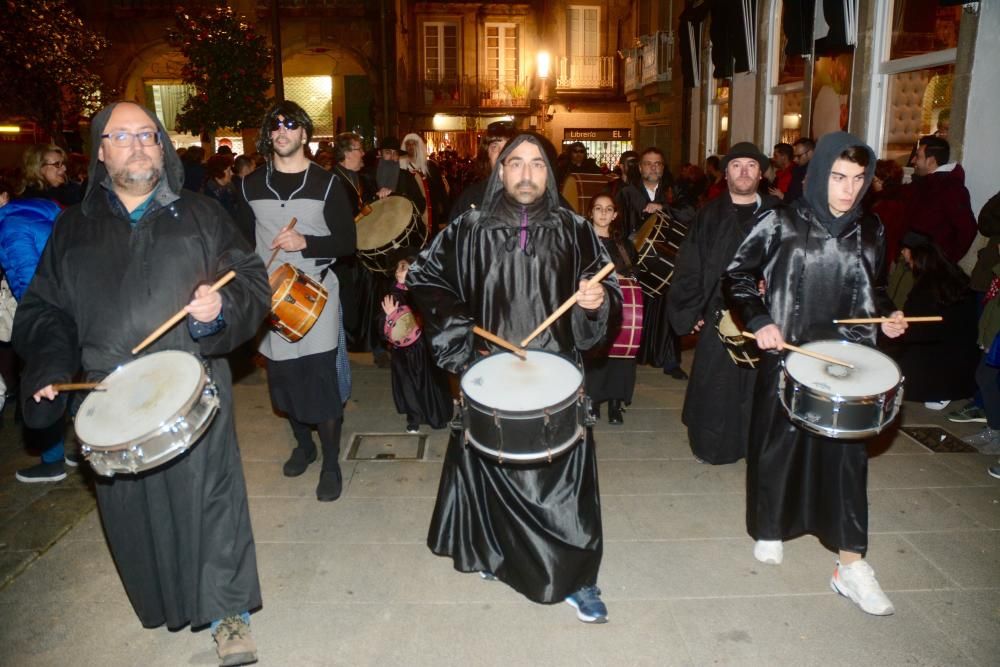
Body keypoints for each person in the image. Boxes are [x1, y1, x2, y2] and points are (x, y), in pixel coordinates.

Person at [13, 101, 269, 665]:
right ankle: (165, 601)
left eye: (147, 135)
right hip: (109, 396)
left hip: (192, 377)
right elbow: (46, 310)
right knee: (134, 511)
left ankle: (229, 613)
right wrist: (53, 369)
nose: (136, 145)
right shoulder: (72, 227)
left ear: (163, 147)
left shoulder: (202, 214)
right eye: (120, 135)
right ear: (100, 151)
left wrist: (218, 309)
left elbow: (251, 279)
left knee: (212, 501)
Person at [407, 132, 621, 624]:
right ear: (500, 171)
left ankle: (575, 577)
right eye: (516, 163)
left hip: (557, 372)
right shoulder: (470, 228)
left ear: (550, 173)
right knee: (492, 468)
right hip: (489, 370)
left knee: (561, 481)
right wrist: (458, 326)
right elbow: (425, 275)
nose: (527, 174)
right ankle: (493, 552)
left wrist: (597, 302)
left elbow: (601, 284)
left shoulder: (573, 228)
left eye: (537, 164)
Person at [723, 131, 908, 616]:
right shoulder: (780, 220)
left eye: (858, 178)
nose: (848, 189)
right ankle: (770, 526)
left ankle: (851, 565)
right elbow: (738, 275)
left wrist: (888, 314)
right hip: (788, 353)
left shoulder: (872, 230)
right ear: (820, 172)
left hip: (850, 361)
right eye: (838, 176)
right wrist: (759, 320)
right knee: (777, 444)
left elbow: (878, 288)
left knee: (848, 459)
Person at [238, 100, 357, 502]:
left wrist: (306, 242)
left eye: (290, 124)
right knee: (284, 383)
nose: (282, 130)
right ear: (268, 135)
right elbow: (238, 243)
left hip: (316, 294)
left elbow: (347, 243)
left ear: (305, 133)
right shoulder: (250, 185)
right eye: (275, 125)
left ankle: (330, 463)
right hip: (270, 298)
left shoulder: (327, 184)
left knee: (319, 380)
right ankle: (304, 447)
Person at [668, 142, 779, 465]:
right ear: (725, 172)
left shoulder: (779, 214)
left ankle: (759, 447)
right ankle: (715, 446)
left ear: (761, 173)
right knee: (716, 387)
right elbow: (690, 265)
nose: (744, 172)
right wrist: (691, 312)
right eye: (736, 165)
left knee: (761, 388)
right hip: (719, 315)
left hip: (767, 318)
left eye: (751, 166)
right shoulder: (709, 215)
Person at [0, 180, 68, 482]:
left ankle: (53, 461)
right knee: (71, 379)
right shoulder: (45, 210)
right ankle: (84, 449)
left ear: (3, 196)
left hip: (48, 314)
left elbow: (26, 282)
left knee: (43, 383)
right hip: (75, 302)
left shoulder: (11, 227)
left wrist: (31, 326)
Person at [885, 232, 978, 408]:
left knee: (888, 365)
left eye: (904, 252)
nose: (904, 257)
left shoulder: (927, 287)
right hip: (963, 353)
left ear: (910, 253)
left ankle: (940, 391)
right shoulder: (951, 273)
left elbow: (916, 330)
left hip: (944, 357)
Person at [379, 252, 453, 432]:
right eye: (398, 268)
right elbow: (383, 324)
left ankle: (435, 416)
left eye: (403, 268)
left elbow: (437, 316)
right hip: (403, 351)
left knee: (429, 384)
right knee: (407, 384)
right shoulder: (394, 292)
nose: (398, 272)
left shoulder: (424, 291)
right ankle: (414, 417)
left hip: (424, 348)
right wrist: (390, 317)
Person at [583, 194, 640, 425]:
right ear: (590, 213)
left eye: (608, 209)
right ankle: (594, 401)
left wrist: (625, 275)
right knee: (597, 353)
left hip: (619, 306)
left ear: (615, 214)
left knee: (622, 357)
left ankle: (616, 404)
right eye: (598, 208)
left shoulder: (623, 244)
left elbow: (633, 270)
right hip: (593, 307)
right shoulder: (583, 241)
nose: (603, 213)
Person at [903, 135, 977, 263]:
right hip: (910, 261)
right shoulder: (922, 184)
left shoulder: (952, 189)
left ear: (930, 160)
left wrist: (943, 262)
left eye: (918, 156)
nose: (913, 160)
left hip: (930, 270)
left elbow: (968, 230)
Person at [449, 126, 512, 222]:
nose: (501, 153)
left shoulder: (531, 197)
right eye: (494, 147)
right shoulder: (470, 198)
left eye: (508, 146)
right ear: (487, 154)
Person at [402, 133, 449, 236]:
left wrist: (444, 216)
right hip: (410, 216)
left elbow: (441, 192)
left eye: (413, 144)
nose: (410, 147)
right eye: (408, 144)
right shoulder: (401, 168)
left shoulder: (430, 167)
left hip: (431, 214)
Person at [19, 144, 83, 206]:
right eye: (57, 164)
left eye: (63, 163)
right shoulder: (36, 201)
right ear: (39, 168)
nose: (64, 168)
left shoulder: (68, 189)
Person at [785, 137, 814, 203]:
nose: (795, 159)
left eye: (799, 156)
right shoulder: (797, 169)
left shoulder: (816, 172)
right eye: (794, 156)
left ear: (810, 153)